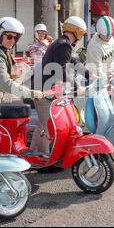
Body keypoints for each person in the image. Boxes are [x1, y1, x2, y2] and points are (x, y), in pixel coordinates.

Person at [28, 16, 94, 157]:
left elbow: (75, 61)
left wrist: (90, 75)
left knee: (44, 123)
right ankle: (42, 156)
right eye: (81, 33)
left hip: (46, 87)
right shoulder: (64, 44)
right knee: (46, 124)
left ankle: (34, 152)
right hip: (44, 89)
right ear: (75, 31)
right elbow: (61, 69)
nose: (81, 37)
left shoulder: (63, 43)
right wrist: (77, 88)